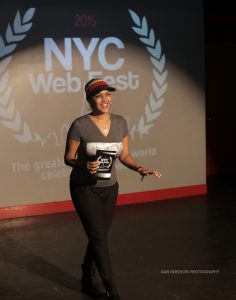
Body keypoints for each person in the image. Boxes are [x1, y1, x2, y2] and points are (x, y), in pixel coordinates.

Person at [64, 78, 161, 299]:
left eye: (108, 94)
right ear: (90, 100)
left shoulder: (120, 122)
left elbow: (124, 155)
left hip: (110, 188)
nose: (105, 99)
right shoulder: (79, 125)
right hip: (84, 188)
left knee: (99, 235)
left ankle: (87, 276)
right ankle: (111, 289)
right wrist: (83, 163)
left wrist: (139, 168)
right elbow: (68, 158)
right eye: (99, 96)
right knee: (98, 237)